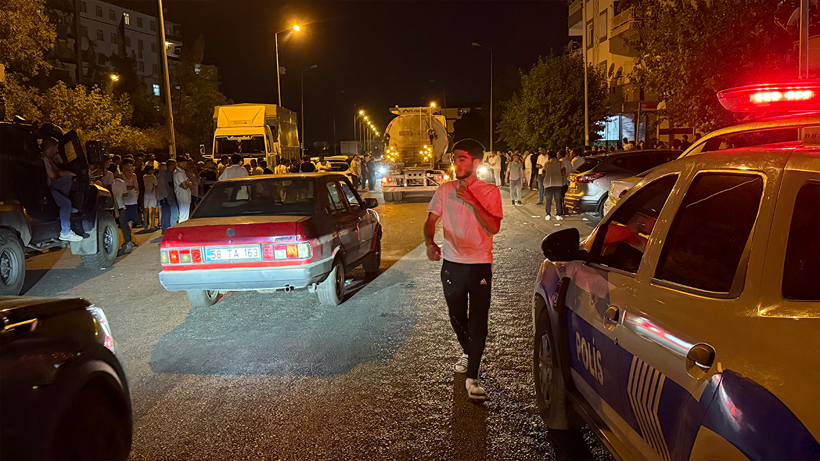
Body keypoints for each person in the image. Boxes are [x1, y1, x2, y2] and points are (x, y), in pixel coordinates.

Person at [423, 138, 502, 401]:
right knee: (456, 315)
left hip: (479, 264)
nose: (455, 163)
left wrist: (471, 200)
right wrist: (429, 242)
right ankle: (470, 352)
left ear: (475, 162)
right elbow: (431, 219)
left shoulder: (490, 192)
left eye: (461, 158)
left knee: (479, 320)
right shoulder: (445, 190)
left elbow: (493, 228)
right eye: (454, 158)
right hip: (452, 265)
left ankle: (473, 378)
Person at [40, 137, 83, 242]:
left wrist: (67, 174)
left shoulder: (48, 159)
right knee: (66, 204)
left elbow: (58, 171)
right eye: (55, 149)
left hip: (49, 187)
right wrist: (58, 177)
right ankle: (65, 231)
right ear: (50, 149)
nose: (56, 151)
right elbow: (53, 175)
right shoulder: (43, 160)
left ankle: (63, 208)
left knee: (67, 180)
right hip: (46, 190)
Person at [111, 173, 134, 254]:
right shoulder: (121, 182)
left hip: (112, 207)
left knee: (113, 228)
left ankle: (115, 246)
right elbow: (125, 194)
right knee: (124, 225)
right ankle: (128, 241)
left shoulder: (105, 183)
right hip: (121, 205)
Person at [543, 150, 566, 221]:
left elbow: (544, 173)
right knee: (558, 200)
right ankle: (558, 215)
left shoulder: (547, 163)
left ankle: (548, 214)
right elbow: (563, 173)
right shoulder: (560, 163)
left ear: (549, 156)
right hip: (558, 183)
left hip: (548, 184)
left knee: (548, 200)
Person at [142, 165, 158, 230]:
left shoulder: (144, 177)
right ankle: (152, 225)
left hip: (146, 194)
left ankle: (145, 224)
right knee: (153, 210)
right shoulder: (153, 177)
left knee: (146, 210)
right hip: (152, 194)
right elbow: (156, 186)